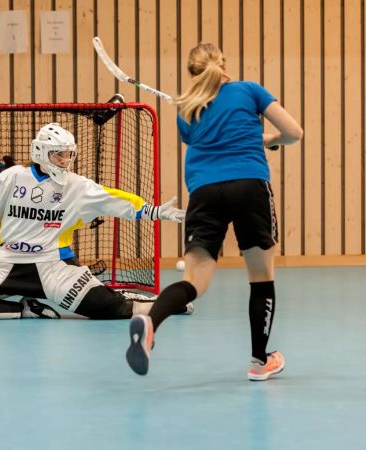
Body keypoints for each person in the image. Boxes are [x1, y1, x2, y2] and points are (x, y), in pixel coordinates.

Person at [125, 43, 303, 380]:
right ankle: (259, 361)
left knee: (195, 281)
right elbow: (294, 132)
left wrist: (259, 138)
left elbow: (210, 139)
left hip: (205, 192)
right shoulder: (250, 90)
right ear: (224, 66)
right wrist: (272, 139)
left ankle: (150, 322)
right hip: (249, 185)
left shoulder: (185, 108)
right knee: (261, 277)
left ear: (192, 72)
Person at [0, 122, 192, 320]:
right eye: (58, 155)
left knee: (111, 309)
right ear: (40, 151)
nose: (64, 161)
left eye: (68, 155)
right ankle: (26, 309)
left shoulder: (76, 186)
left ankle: (165, 302)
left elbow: (115, 200)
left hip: (55, 267)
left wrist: (155, 211)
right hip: (5, 263)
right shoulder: (12, 177)